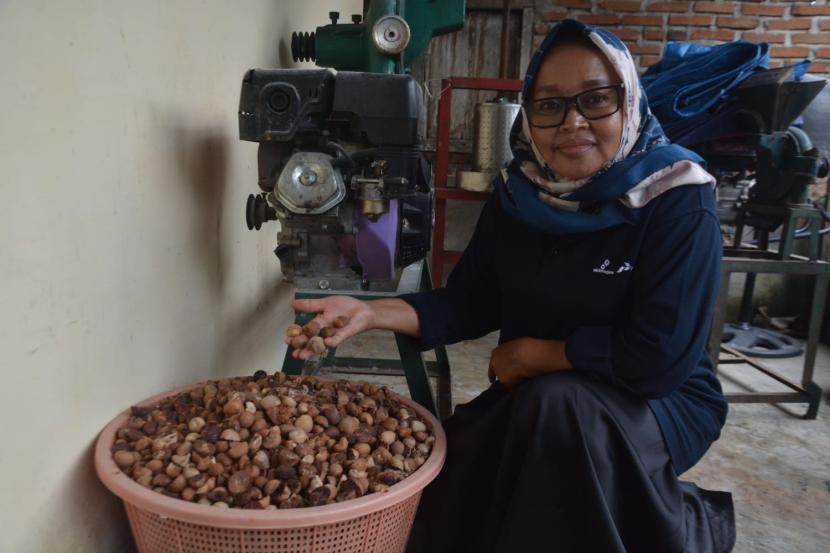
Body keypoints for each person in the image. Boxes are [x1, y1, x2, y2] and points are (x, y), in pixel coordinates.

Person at [291, 19, 735, 553]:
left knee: (558, 419)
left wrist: (539, 356)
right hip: (540, 397)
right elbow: (473, 300)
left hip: (662, 400)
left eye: (596, 99)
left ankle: (681, 525)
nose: (572, 122)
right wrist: (373, 313)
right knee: (452, 474)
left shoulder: (676, 198)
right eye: (550, 105)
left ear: (629, 102)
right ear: (529, 114)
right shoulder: (520, 193)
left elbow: (660, 358)